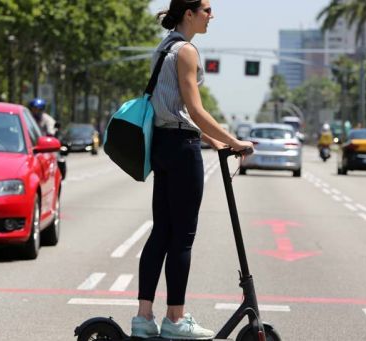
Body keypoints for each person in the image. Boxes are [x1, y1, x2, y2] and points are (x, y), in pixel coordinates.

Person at [131, 1, 253, 339]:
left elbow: (174, 109)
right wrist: (236, 141)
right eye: (206, 10)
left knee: (161, 232)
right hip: (182, 151)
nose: (211, 16)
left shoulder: (165, 45)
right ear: (189, 13)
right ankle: (175, 319)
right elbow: (196, 111)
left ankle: (144, 318)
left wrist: (215, 143)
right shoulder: (186, 51)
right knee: (182, 238)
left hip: (163, 146)